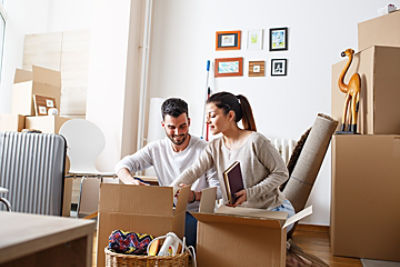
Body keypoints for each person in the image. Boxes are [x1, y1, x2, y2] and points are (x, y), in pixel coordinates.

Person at [171, 92, 295, 228]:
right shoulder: (214, 146)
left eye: (212, 116)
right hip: (240, 214)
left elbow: (281, 173)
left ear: (230, 115)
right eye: (207, 117)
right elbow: (194, 171)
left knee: (252, 244)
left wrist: (250, 193)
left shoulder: (256, 141)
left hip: (272, 210)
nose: (207, 121)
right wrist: (169, 192)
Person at [115, 98, 220, 247]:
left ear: (189, 122)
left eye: (182, 126)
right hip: (167, 211)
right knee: (133, 231)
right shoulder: (156, 148)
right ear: (163, 125)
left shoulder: (205, 149)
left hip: (195, 214)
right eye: (171, 127)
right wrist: (130, 182)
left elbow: (219, 190)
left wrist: (194, 196)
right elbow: (122, 165)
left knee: (178, 233)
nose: (178, 133)